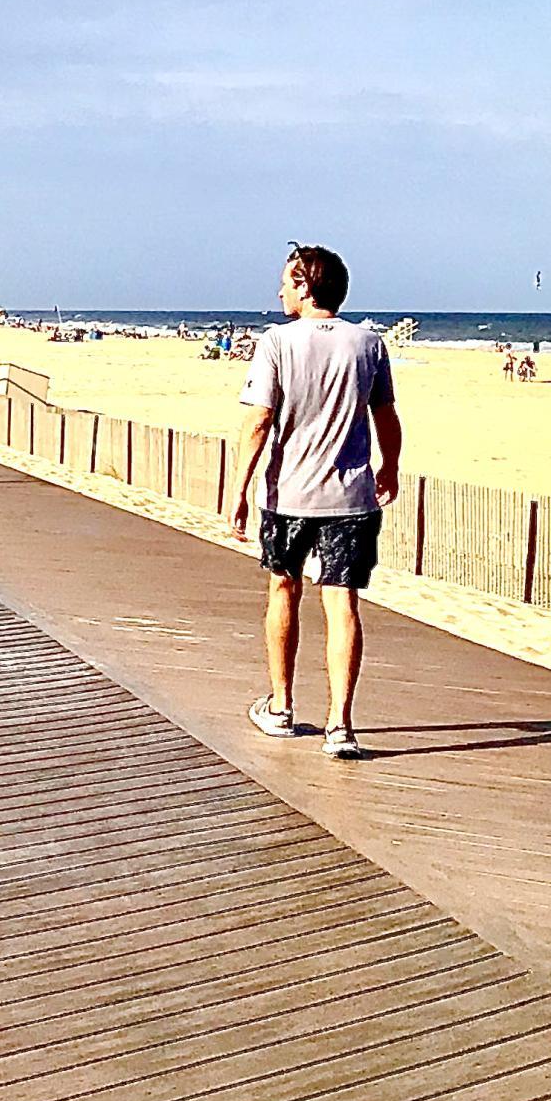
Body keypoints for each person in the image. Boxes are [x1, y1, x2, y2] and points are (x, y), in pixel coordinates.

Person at [228, 244, 402, 763]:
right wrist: (389, 465)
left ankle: (281, 707)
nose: (279, 291)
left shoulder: (276, 341)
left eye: (285, 281)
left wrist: (238, 488)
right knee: (342, 603)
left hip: (290, 494)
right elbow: (386, 417)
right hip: (350, 496)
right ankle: (340, 725)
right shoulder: (368, 342)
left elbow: (259, 419)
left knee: (284, 589)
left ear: (305, 285)